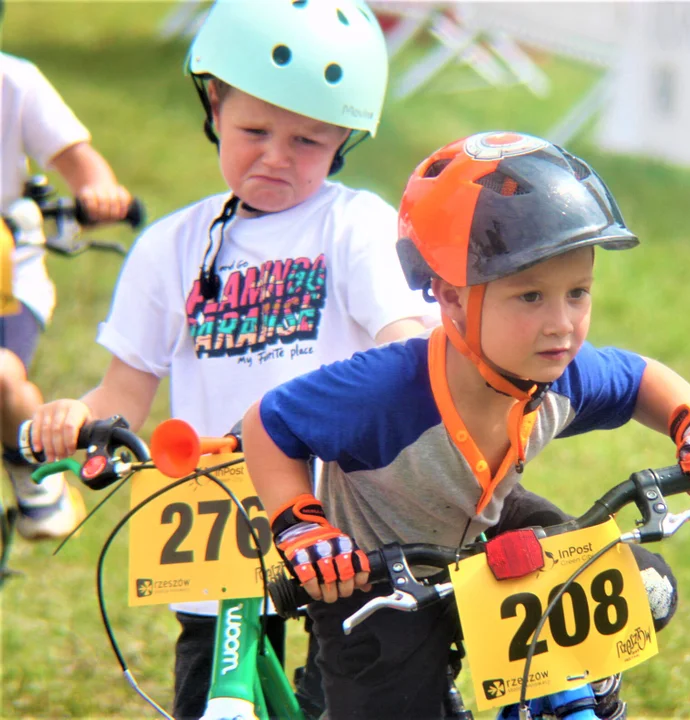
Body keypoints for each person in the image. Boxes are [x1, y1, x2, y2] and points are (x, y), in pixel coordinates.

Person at [240, 130, 690, 719]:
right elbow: (269, 424)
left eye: (578, 293)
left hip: (488, 524)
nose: (561, 325)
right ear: (451, 297)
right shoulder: (383, 391)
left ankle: (581, 689)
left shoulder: (562, 374)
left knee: (642, 588)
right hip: (373, 573)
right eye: (530, 297)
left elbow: (641, 379)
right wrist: (301, 524)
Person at [24, 0, 432, 717]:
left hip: (336, 514)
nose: (276, 156)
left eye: (307, 140)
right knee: (206, 693)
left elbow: (402, 337)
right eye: (254, 131)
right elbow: (126, 388)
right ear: (214, 104)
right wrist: (74, 417)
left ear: (343, 140)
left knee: (354, 690)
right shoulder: (172, 248)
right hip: (216, 522)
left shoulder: (352, 226)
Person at [1, 44, 133, 540]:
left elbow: (81, 163)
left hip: (7, 278)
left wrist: (99, 190)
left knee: (3, 375)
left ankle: (29, 475)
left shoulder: (15, 82)